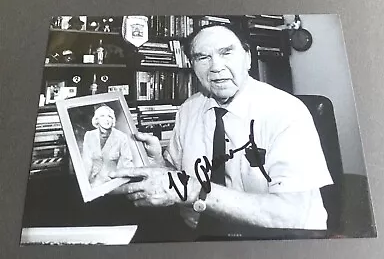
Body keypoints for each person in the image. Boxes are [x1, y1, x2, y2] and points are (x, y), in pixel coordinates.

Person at [111, 24, 333, 240]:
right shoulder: (190, 108)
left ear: (248, 58)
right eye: (202, 57)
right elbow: (178, 177)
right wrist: (157, 161)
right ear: (192, 65)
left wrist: (196, 191)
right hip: (200, 236)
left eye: (226, 53)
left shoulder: (286, 111)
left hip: (279, 240)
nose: (215, 66)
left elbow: (292, 213)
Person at [82, 105, 135, 187]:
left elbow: (126, 163)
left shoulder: (121, 137)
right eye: (102, 116)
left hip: (113, 184)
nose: (106, 119)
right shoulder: (89, 135)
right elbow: (86, 161)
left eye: (109, 116)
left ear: (113, 120)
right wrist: (85, 184)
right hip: (93, 183)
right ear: (97, 119)